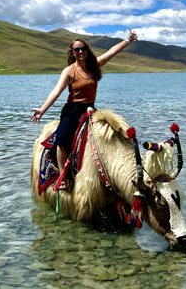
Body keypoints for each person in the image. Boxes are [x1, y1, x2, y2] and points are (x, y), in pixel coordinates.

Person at [30, 29, 138, 189]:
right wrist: (42, 110)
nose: (80, 52)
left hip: (90, 110)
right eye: (77, 49)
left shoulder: (94, 65)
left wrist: (128, 40)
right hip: (72, 111)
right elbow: (56, 91)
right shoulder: (69, 71)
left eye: (83, 48)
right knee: (62, 141)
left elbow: (111, 52)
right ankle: (63, 178)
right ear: (72, 53)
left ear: (87, 50)